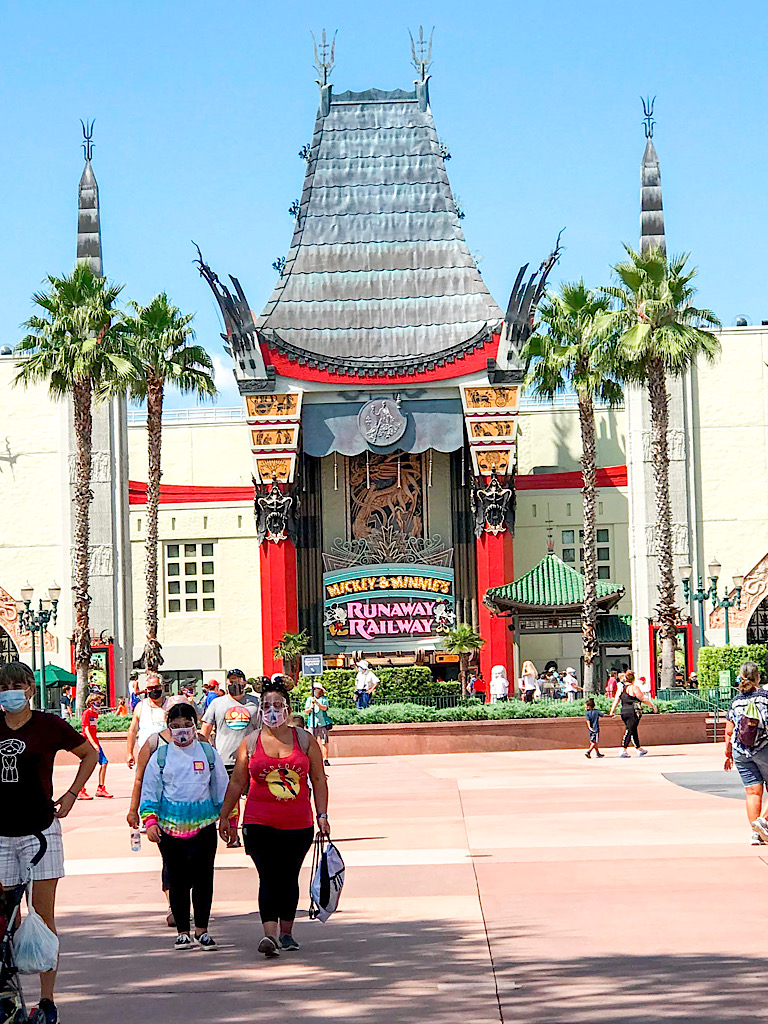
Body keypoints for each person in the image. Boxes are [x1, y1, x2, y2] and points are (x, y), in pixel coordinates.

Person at [0, 660, 98, 1024]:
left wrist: (73, 793)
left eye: (17, 684)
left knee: (42, 916)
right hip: (2, 835)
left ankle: (46, 1001)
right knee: (5, 919)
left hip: (40, 832)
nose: (10, 691)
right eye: (4, 685)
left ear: (29, 688)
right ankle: (7, 995)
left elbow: (88, 754)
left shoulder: (47, 724)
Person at [219, 679, 330, 957]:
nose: (271, 711)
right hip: (259, 821)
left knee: (289, 876)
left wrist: (323, 815)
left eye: (277, 706)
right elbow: (237, 782)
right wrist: (225, 817)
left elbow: (318, 778)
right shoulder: (251, 742)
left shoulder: (304, 740)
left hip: (297, 822)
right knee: (268, 876)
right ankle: (269, 935)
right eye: (266, 706)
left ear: (287, 709)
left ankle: (287, 932)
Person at [140, 702, 228, 951]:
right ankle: (182, 931)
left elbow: (222, 785)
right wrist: (150, 822)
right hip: (169, 828)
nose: (181, 731)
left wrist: (228, 818)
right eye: (175, 727)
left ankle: (203, 930)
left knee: (203, 878)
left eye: (187, 725)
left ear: (195, 725)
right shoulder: (161, 756)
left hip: (204, 826)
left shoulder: (207, 753)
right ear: (168, 728)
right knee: (177, 879)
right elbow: (150, 790)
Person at [200, 673, 260, 848]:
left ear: (244, 683)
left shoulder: (255, 703)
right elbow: (205, 729)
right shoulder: (217, 704)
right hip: (225, 760)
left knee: (254, 798)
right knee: (231, 800)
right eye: (231, 682)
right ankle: (233, 834)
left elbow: (264, 730)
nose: (235, 684)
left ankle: (253, 831)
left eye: (238, 681)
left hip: (251, 758)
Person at [724, 661, 768, 845]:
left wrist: (728, 754)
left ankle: (755, 834)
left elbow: (728, 730)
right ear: (758, 677)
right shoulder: (765, 697)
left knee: (752, 792)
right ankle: (762, 820)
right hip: (764, 747)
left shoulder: (735, 701)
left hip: (740, 750)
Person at [609, 669, 657, 756]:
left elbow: (616, 700)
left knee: (633, 729)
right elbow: (642, 698)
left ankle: (639, 748)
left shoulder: (621, 688)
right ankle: (623, 749)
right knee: (630, 729)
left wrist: (612, 711)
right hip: (633, 711)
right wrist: (652, 706)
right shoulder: (634, 688)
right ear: (633, 679)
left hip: (624, 711)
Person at [126, 675, 170, 769]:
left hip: (167, 756)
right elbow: (132, 731)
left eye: (156, 687)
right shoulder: (140, 706)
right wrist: (130, 753)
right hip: (145, 756)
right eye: (150, 688)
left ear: (161, 687)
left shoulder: (169, 705)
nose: (154, 690)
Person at [78, 693, 112, 799]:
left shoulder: (95, 714)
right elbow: (86, 730)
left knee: (104, 762)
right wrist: (92, 743)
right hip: (87, 743)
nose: (99, 705)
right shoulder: (86, 714)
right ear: (91, 703)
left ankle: (101, 788)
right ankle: (81, 790)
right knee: (86, 766)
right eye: (97, 703)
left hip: (95, 741)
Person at [304, 683, 332, 766]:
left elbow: (325, 708)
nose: (315, 690)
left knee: (324, 742)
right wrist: (311, 707)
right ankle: (312, 759)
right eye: (314, 688)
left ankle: (325, 759)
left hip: (322, 722)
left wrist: (317, 703)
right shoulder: (309, 699)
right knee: (311, 742)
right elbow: (306, 711)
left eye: (316, 688)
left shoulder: (324, 699)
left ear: (320, 690)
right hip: (312, 723)